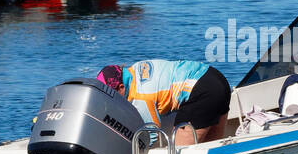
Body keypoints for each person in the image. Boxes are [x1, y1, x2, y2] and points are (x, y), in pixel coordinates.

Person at [99, 60, 231, 144]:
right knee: (211, 146)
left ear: (121, 87)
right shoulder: (135, 68)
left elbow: (152, 134)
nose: (112, 100)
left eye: (112, 94)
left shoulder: (140, 96)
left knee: (179, 153)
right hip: (217, 78)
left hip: (202, 91)